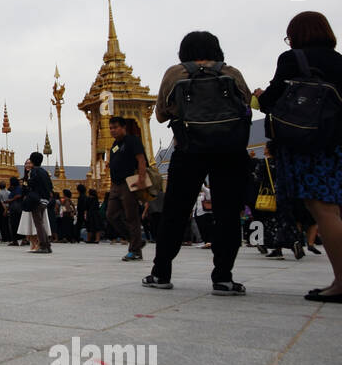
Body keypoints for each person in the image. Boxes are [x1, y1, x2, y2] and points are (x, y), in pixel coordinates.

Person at [255, 11, 342, 303]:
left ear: (296, 36)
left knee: (323, 211)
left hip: (308, 143)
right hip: (341, 143)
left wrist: (257, 95)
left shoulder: (293, 60)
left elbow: (270, 101)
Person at [143, 30, 252, 295]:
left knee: (175, 213)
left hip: (189, 149)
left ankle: (161, 272)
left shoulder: (176, 73)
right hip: (229, 150)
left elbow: (159, 115)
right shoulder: (231, 73)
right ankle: (223, 277)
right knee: (227, 214)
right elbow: (246, 103)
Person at [105, 117, 148, 261]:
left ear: (123, 127)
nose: (112, 130)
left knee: (132, 217)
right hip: (115, 185)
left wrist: (141, 179)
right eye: (110, 128)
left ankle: (135, 251)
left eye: (115, 127)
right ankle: (136, 241)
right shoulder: (115, 144)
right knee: (111, 215)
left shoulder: (133, 141)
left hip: (129, 183)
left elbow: (141, 159)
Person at [21, 152, 54, 253]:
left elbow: (31, 184)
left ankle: (43, 245)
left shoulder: (34, 171)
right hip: (45, 200)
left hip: (37, 200)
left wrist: (25, 184)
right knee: (41, 223)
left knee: (38, 224)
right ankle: (47, 245)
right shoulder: (44, 172)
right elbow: (50, 186)